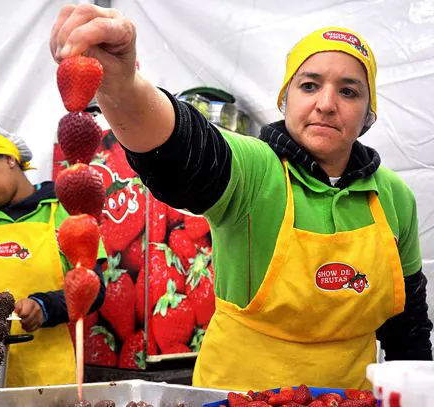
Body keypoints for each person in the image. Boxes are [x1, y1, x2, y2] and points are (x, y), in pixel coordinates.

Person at [49, 5, 433, 391]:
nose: (327, 103)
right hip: (238, 396)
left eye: (349, 91)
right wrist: (123, 87)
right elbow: (184, 148)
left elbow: (409, 322)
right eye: (310, 85)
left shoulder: (393, 196)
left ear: (369, 113)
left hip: (352, 398)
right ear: (286, 99)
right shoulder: (256, 169)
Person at [0, 123, 107, 387]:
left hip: (45, 376)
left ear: (11, 159)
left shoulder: (66, 212)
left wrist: (44, 306)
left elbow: (94, 289)